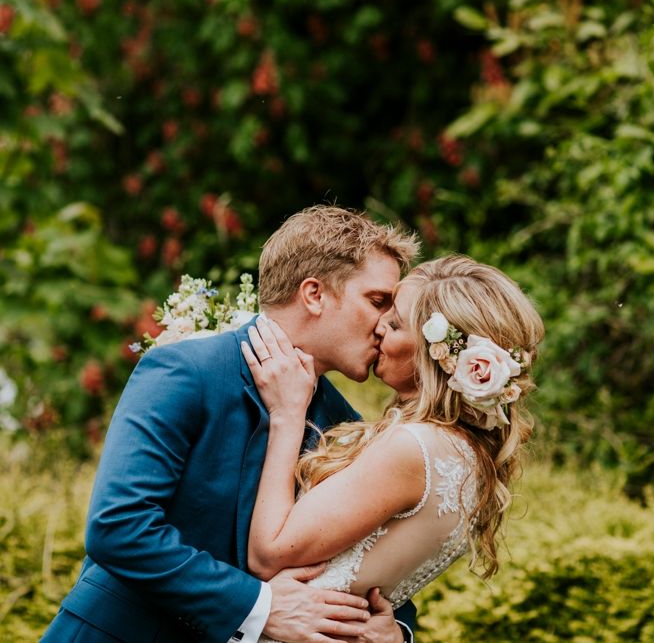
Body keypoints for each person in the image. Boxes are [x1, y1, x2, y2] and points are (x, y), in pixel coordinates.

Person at [42, 206, 420, 643]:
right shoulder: (186, 370)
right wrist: (258, 606)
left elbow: (376, 564)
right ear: (314, 294)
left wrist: (395, 631)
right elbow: (119, 527)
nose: (386, 326)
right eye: (377, 301)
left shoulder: (345, 424)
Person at [241, 255, 545, 643]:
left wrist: (286, 415)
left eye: (396, 322)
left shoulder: (413, 448)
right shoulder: (467, 455)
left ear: (437, 356)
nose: (378, 327)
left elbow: (268, 554)